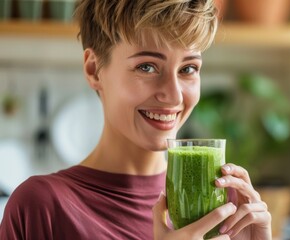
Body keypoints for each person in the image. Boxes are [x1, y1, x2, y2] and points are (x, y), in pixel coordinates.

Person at [0, 0, 272, 239]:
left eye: (188, 68)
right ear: (94, 69)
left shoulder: (221, 208)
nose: (173, 95)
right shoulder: (42, 207)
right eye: (147, 66)